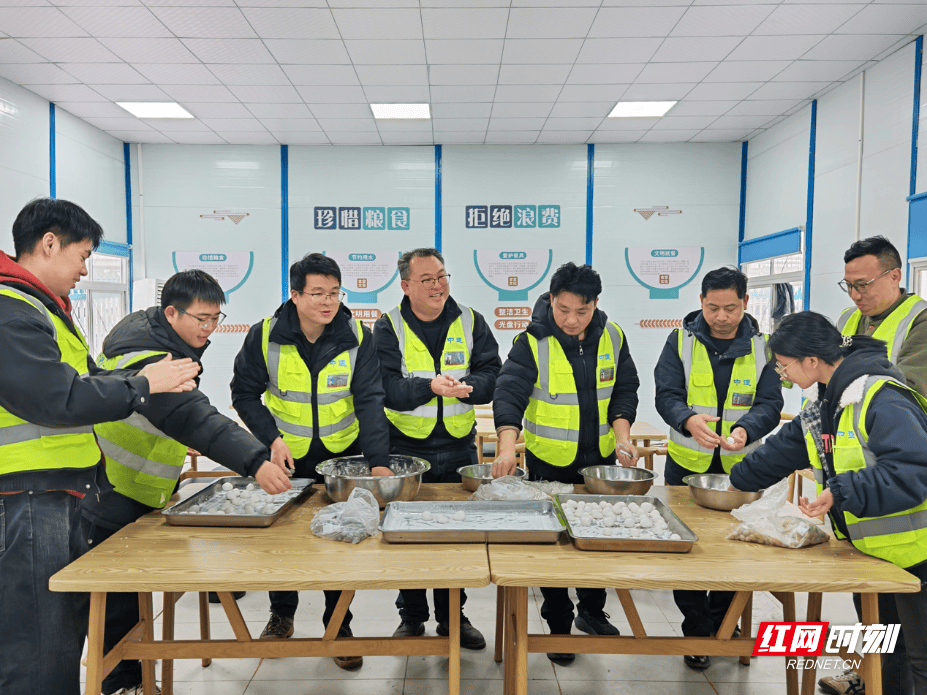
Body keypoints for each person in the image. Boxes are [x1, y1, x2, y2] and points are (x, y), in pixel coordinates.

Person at [0, 198, 200, 695]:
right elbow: (59, 399)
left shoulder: (42, 308)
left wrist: (140, 380)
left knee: (60, 635)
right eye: (84, 255)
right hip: (28, 496)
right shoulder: (12, 311)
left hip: (57, 493)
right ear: (50, 243)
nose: (86, 270)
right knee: (40, 644)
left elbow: (86, 380)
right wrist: (145, 383)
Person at [81, 269, 291, 695]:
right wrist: (255, 460)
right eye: (201, 318)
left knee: (132, 595)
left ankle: (132, 677)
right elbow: (191, 416)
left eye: (215, 318)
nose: (209, 328)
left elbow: (171, 415)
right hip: (113, 487)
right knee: (118, 600)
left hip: (139, 486)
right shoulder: (151, 357)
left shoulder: (162, 341)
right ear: (172, 313)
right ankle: (122, 684)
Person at [729, 311, 927, 695]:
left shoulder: (881, 399)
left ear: (811, 361)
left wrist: (841, 491)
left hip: (918, 557)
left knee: (920, 661)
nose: (782, 375)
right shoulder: (827, 403)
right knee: (887, 653)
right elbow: (784, 449)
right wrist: (732, 484)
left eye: (784, 365)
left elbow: (915, 472)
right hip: (873, 557)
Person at [231, 252, 390, 670]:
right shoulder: (264, 336)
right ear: (295, 295)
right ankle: (281, 615)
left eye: (335, 293)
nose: (328, 301)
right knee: (282, 543)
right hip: (286, 457)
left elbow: (370, 399)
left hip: (341, 457)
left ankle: (339, 625)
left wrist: (377, 462)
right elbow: (244, 393)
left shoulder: (357, 335)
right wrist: (271, 439)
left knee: (341, 540)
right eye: (318, 293)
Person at [491, 262, 640, 663]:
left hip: (599, 466)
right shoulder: (532, 341)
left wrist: (623, 436)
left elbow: (625, 389)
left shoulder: (613, 336)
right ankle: (558, 626)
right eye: (563, 310)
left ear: (596, 304)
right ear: (551, 300)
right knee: (553, 546)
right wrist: (507, 446)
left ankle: (592, 612)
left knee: (598, 540)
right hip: (550, 465)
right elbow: (509, 392)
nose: (571, 320)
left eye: (582, 311)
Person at [653, 266, 783, 670]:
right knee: (684, 550)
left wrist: (747, 429)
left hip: (741, 471)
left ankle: (723, 622)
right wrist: (688, 420)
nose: (721, 317)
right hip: (685, 468)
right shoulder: (680, 342)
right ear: (701, 302)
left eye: (730, 308)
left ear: (745, 302)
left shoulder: (764, 347)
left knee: (736, 550)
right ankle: (697, 629)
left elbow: (770, 403)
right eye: (713, 308)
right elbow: (667, 394)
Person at [374, 247, 501, 650]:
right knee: (406, 534)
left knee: (457, 536)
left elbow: (493, 372)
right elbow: (385, 388)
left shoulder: (470, 320)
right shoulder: (388, 326)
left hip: (460, 447)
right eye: (427, 279)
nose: (437, 286)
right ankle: (411, 617)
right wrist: (429, 387)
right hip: (406, 449)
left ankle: (452, 618)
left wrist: (470, 387)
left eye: (442, 276)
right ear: (405, 286)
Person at [836, 236, 927, 395]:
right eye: (849, 285)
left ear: (894, 276)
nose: (854, 296)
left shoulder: (920, 321)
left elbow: (905, 394)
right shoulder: (847, 317)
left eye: (863, 285)